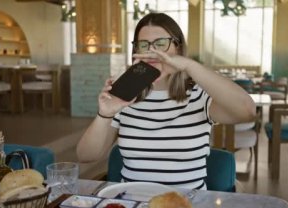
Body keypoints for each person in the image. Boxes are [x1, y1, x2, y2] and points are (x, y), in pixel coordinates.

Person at [77, 13, 256, 190]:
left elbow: (247, 111)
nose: (153, 51)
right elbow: (85, 155)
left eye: (161, 44)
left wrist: (188, 66)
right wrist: (104, 114)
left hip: (185, 206)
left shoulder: (199, 95)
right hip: (131, 204)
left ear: (177, 48)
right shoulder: (125, 96)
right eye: (144, 44)